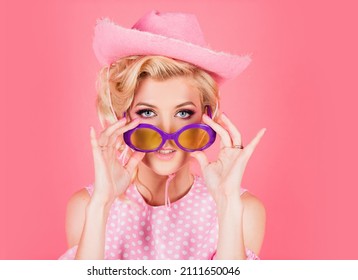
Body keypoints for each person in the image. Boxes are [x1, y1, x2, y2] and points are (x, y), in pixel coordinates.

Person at [59, 10, 266, 260]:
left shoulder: (243, 210)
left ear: (207, 116)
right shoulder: (87, 206)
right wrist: (102, 205)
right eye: (147, 112)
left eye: (183, 113)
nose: (167, 133)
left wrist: (227, 204)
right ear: (121, 116)